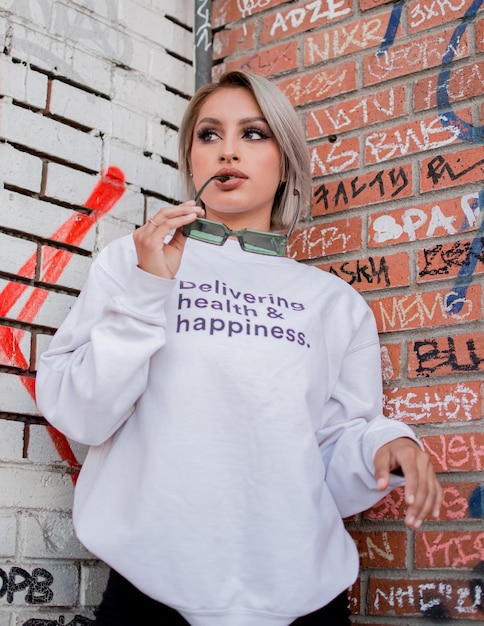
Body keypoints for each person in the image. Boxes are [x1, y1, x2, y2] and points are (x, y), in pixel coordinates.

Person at [35, 70, 442, 626]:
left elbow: (330, 449)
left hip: (303, 601)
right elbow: (82, 414)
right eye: (209, 135)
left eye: (253, 134)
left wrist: (387, 446)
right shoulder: (132, 261)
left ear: (286, 163)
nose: (228, 149)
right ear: (192, 160)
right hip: (152, 594)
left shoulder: (333, 301)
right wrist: (149, 291)